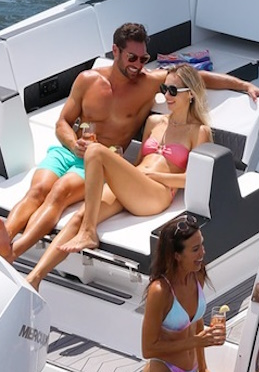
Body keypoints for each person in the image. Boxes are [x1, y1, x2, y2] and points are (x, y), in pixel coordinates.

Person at [0, 22, 259, 263]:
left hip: (103, 159)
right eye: (132, 58)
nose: (138, 65)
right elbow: (62, 123)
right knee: (38, 190)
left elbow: (197, 79)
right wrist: (72, 144)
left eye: (143, 59)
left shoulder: (149, 83)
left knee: (58, 192)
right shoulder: (87, 80)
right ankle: (3, 242)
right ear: (115, 51)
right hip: (69, 149)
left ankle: (11, 252)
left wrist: (244, 85)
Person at [24, 64, 212, 289]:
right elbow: (140, 161)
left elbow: (194, 179)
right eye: (164, 89)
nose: (166, 96)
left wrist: (154, 175)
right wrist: (124, 170)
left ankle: (89, 233)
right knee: (80, 217)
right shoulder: (154, 122)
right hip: (137, 184)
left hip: (157, 194)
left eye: (173, 91)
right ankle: (34, 277)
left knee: (95, 150)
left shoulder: (198, 131)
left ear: (190, 94)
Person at [84, 213, 258, 372]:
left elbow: (196, 321)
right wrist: (197, 341)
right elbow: (148, 349)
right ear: (176, 255)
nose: (203, 253)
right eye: (195, 249)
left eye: (202, 245)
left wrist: (204, 369)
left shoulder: (197, 274)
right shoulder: (160, 290)